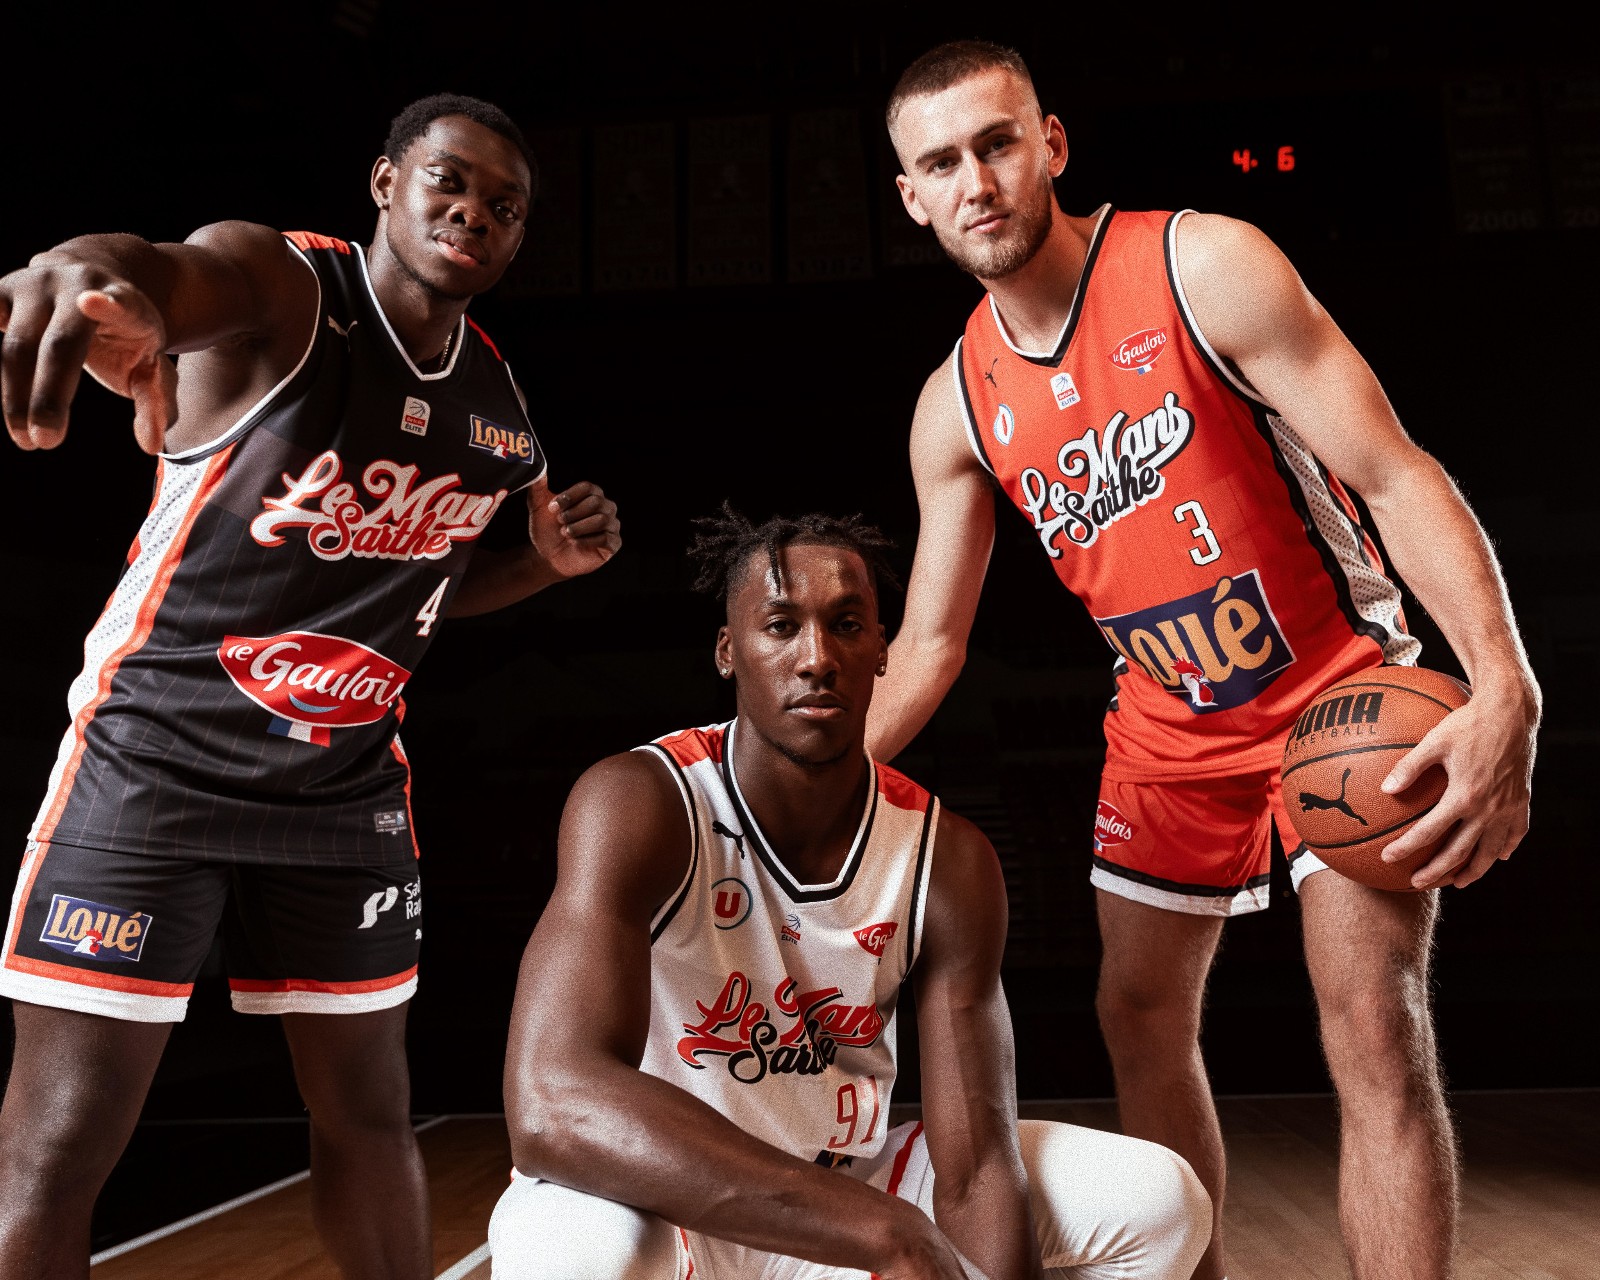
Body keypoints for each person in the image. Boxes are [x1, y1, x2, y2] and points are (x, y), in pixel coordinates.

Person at [870, 40, 1542, 1280]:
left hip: (1334, 687)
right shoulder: (955, 403)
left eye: (997, 144)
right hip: (1168, 721)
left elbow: (1396, 473)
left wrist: (1506, 684)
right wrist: (739, 790)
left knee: (1373, 1021)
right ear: (912, 196)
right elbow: (927, 642)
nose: (977, 182)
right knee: (1133, 1013)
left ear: (1050, 145)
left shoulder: (1202, 266)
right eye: (942, 163)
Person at [0, 93, 620, 1278]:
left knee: (370, 1112)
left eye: (504, 206)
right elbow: (165, 275)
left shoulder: (495, 406)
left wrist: (543, 562)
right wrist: (93, 270)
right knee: (62, 1134)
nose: (473, 212)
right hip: (156, 753)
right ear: (386, 183)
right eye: (450, 181)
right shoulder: (282, 286)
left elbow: (425, 584)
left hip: (343, 785)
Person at [488, 504, 1212, 1280]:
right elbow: (552, 1102)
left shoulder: (947, 860)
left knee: (1160, 1199)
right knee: (574, 1254)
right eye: (781, 626)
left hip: (841, 1190)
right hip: (665, 1204)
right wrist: (887, 1234)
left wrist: (906, 1234)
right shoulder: (643, 802)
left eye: (846, 625)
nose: (817, 658)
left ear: (881, 651)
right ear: (729, 651)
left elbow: (976, 1169)